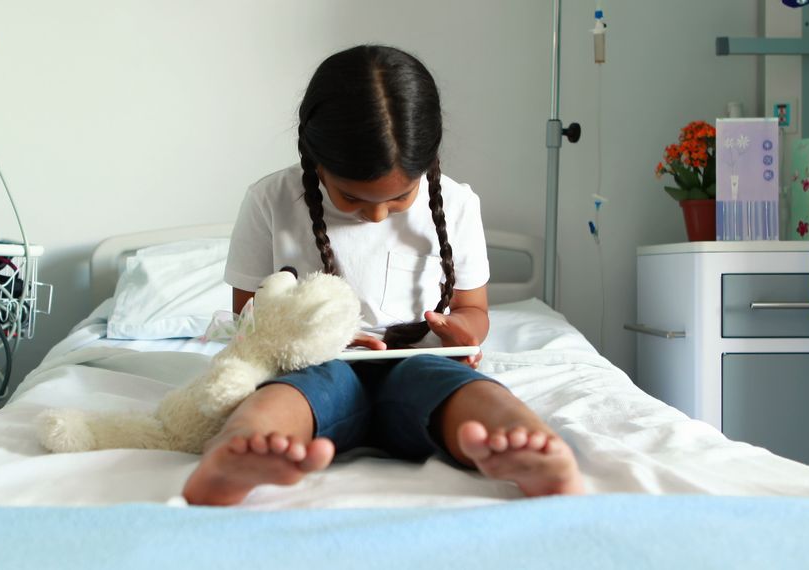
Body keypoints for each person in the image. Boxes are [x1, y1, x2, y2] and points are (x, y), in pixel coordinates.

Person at [183, 45, 583, 506]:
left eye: (400, 198)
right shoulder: (270, 199)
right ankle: (238, 451)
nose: (376, 215)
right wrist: (322, 341)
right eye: (351, 198)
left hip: (421, 360)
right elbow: (248, 319)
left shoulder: (457, 204)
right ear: (316, 158)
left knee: (462, 390)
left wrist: (462, 332)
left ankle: (530, 444)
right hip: (315, 365)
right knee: (288, 397)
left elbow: (474, 310)